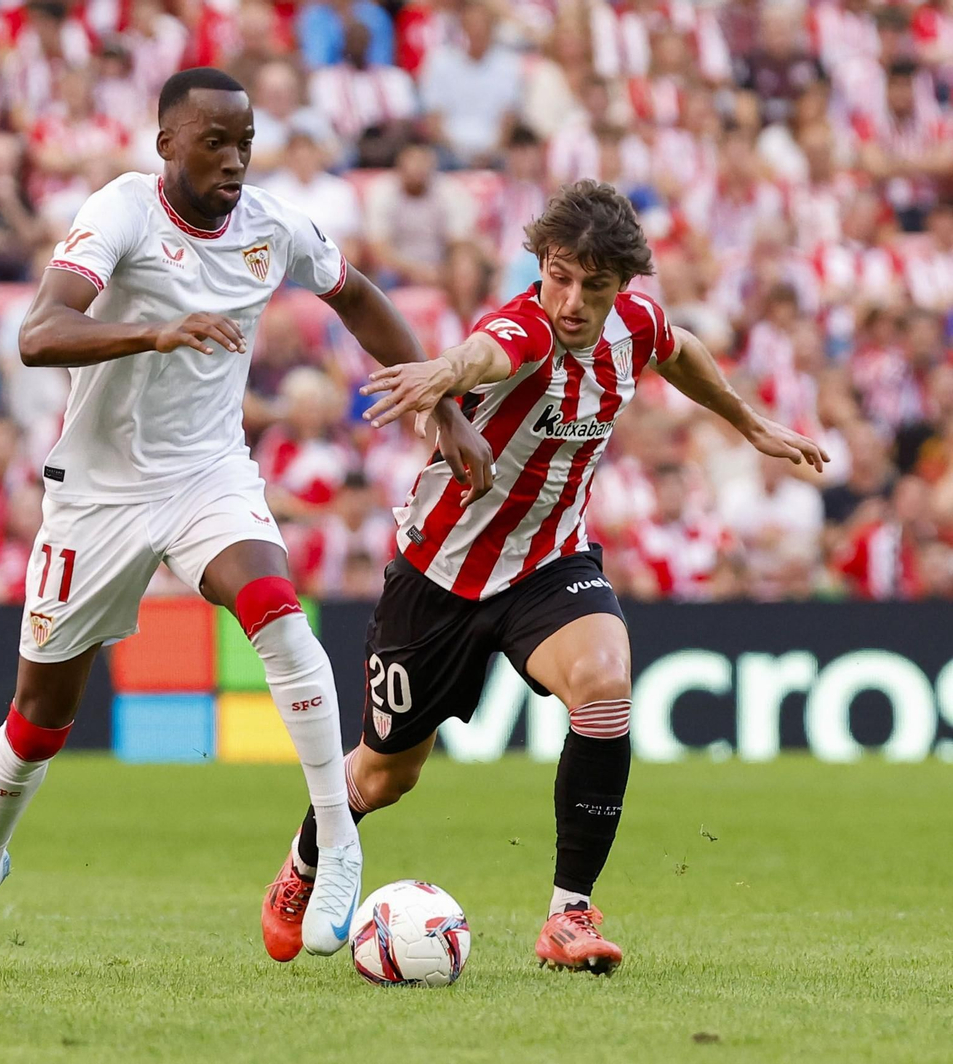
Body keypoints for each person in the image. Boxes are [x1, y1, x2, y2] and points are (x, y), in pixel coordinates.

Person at [0, 67, 493, 976]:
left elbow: (355, 297)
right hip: (98, 493)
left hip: (205, 476)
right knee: (39, 714)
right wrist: (152, 330)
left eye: (245, 142)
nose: (234, 161)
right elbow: (37, 333)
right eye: (213, 142)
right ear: (166, 145)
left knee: (274, 603)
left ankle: (337, 842)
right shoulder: (120, 213)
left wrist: (444, 405)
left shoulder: (272, 225)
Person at [262, 179, 828, 974]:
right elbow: (485, 352)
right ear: (542, 265)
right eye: (559, 276)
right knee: (387, 775)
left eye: (592, 286)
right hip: (440, 575)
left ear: (622, 286)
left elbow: (681, 348)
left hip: (549, 563)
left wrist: (747, 420)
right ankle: (304, 864)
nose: (570, 300)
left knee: (604, 683)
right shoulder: (522, 326)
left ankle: (569, 915)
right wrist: (443, 372)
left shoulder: (633, 325)